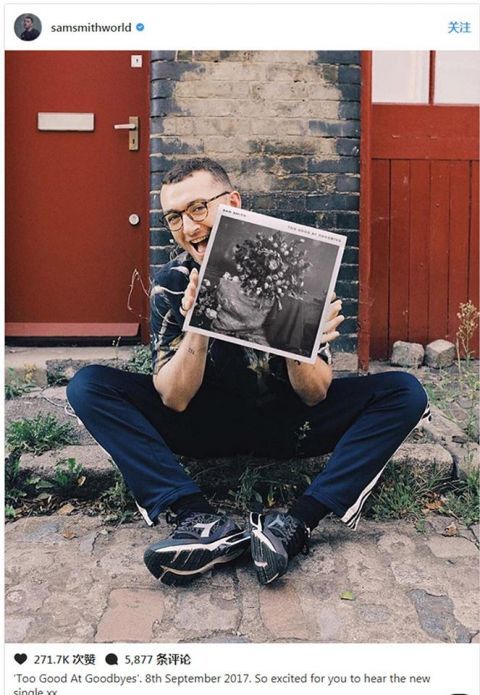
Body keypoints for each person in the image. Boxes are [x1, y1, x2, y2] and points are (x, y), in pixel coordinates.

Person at [67, 157, 430, 587]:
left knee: (404, 392)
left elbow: (314, 394)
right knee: (89, 386)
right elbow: (174, 398)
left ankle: (295, 524)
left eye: (198, 208)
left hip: (289, 424)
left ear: (233, 203)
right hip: (204, 424)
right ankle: (198, 519)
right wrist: (198, 324)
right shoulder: (173, 283)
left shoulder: (297, 272)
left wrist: (298, 335)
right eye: (175, 217)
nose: (188, 227)